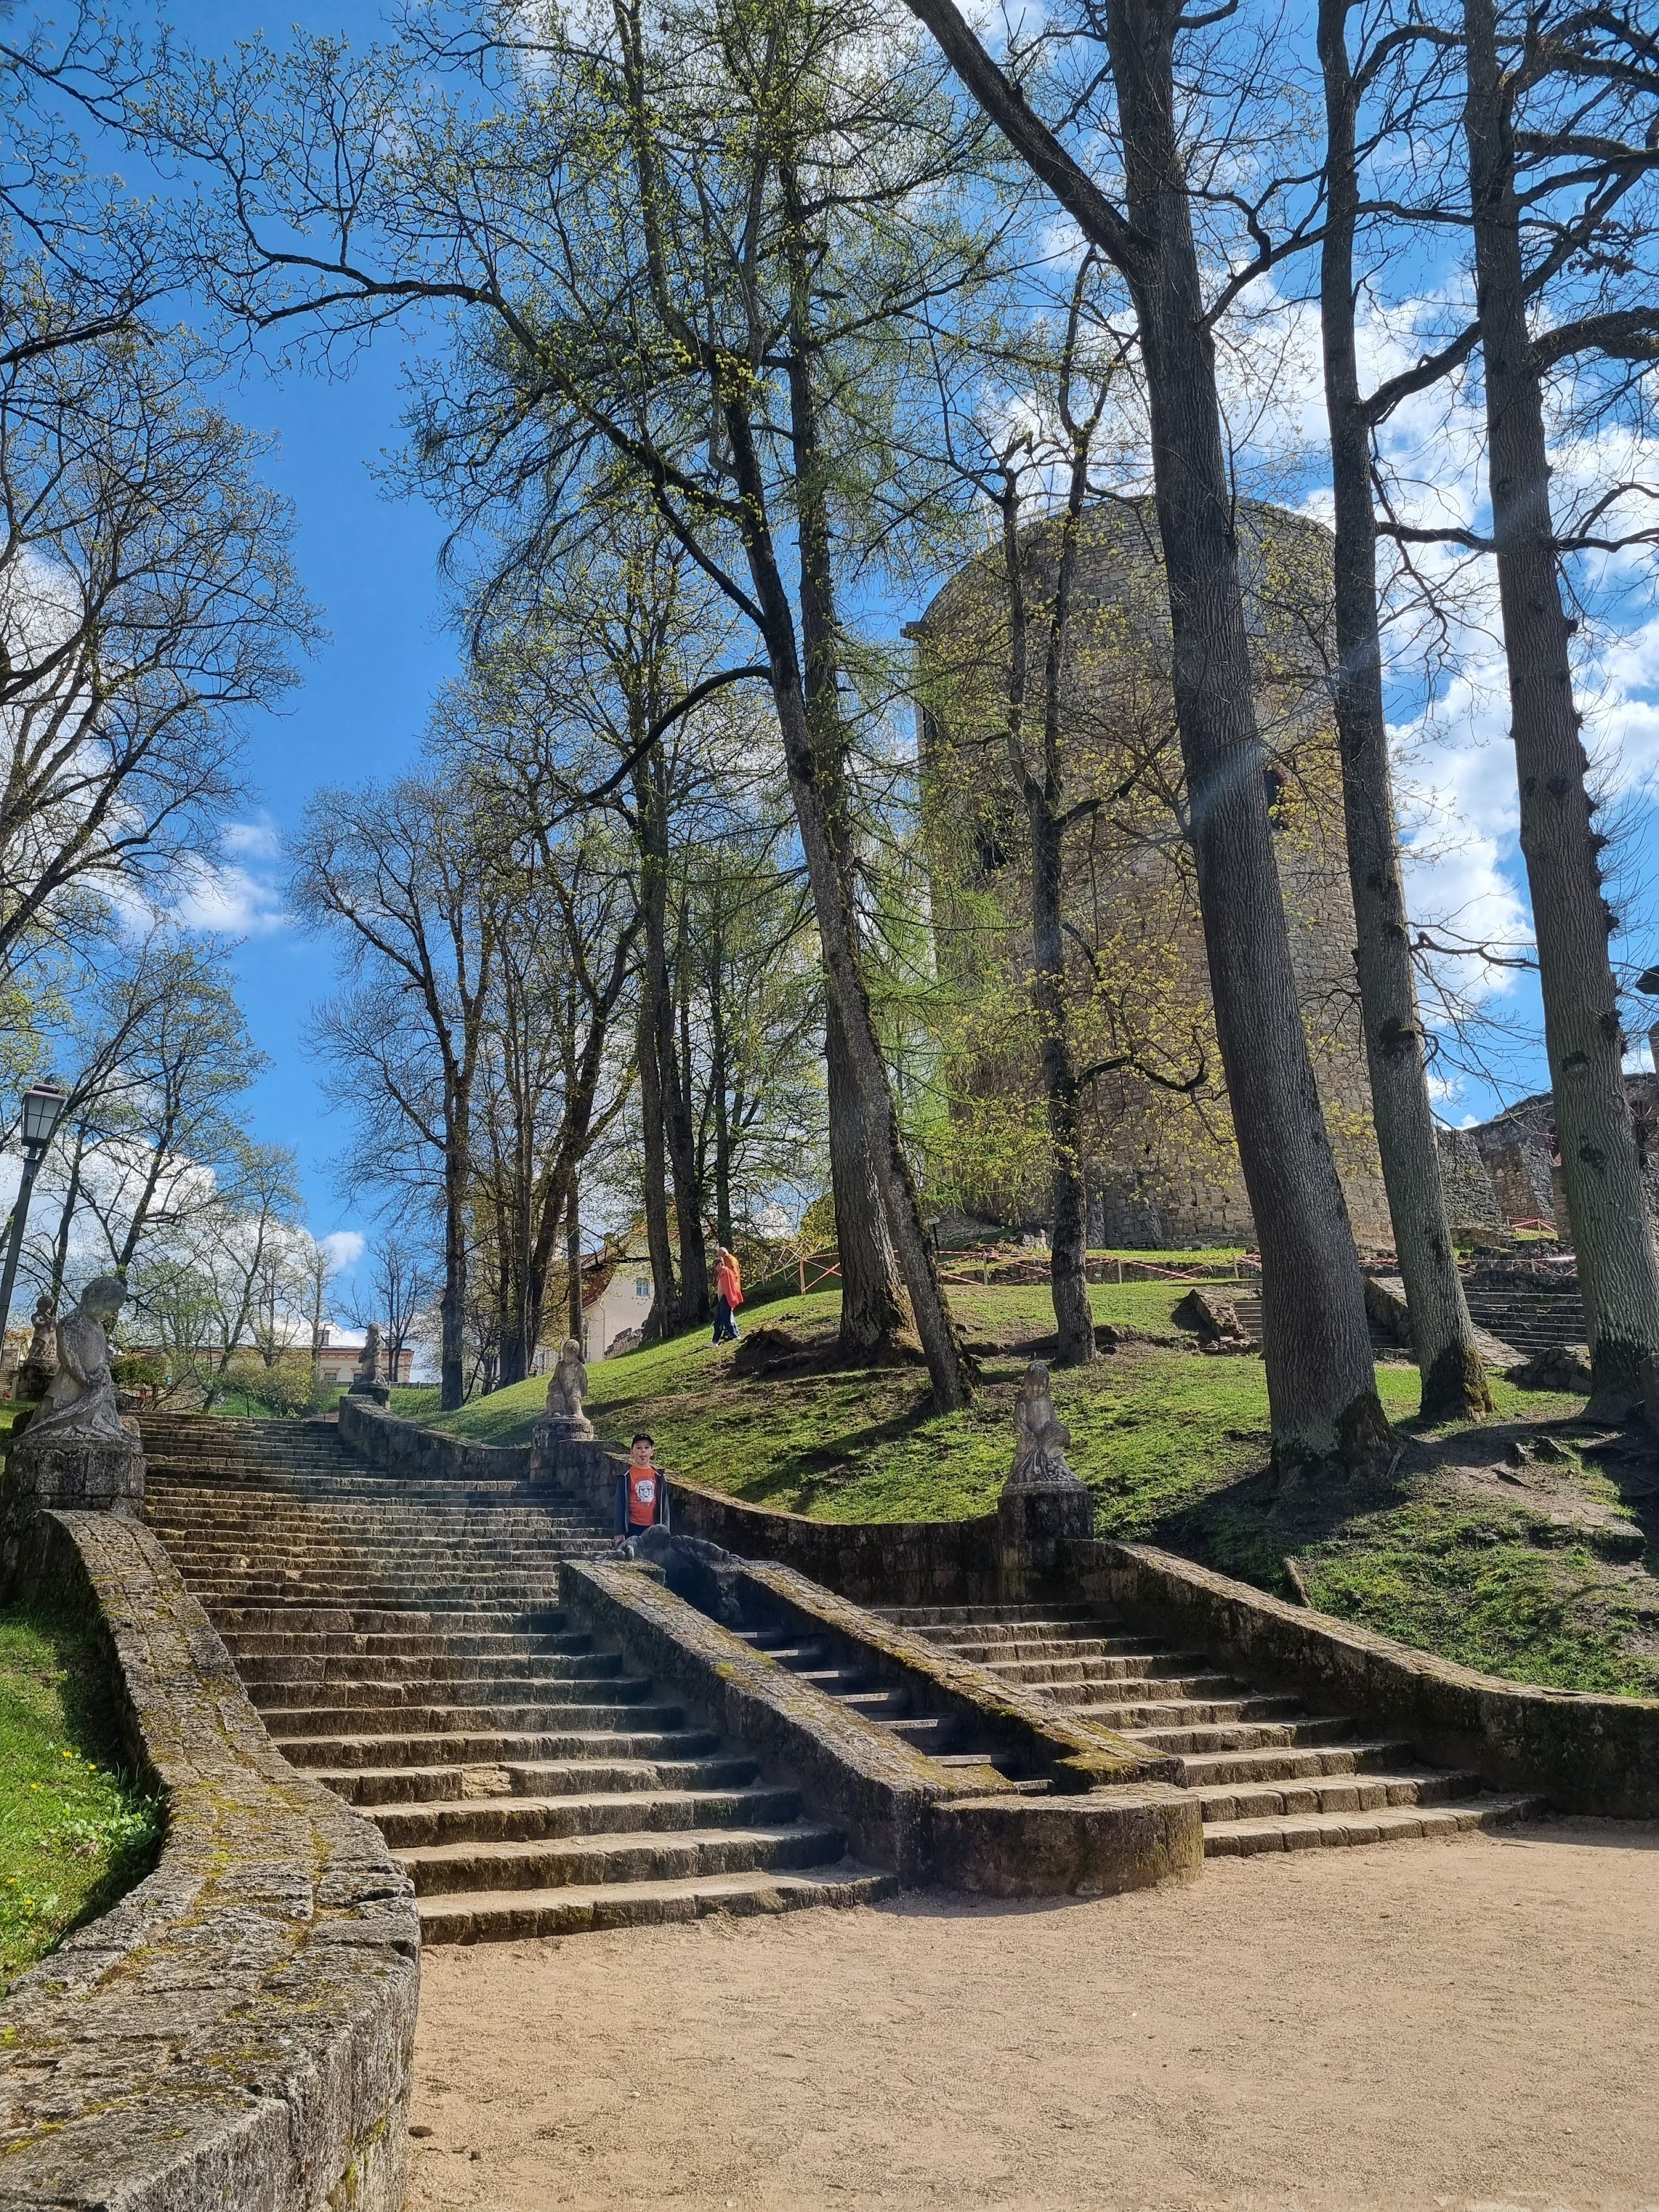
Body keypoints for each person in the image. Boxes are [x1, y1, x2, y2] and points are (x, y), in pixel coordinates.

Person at [615, 1432, 668, 1549]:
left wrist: (665, 1529)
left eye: (646, 1448)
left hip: (653, 1528)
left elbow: (665, 1506)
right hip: (633, 1527)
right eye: (638, 1448)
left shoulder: (658, 1477)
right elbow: (619, 1505)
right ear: (632, 1453)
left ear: (652, 1452)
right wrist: (619, 1531)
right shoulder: (625, 1477)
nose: (643, 1451)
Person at [712, 1243, 743, 1344]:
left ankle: (734, 1334)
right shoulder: (724, 1268)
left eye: (720, 1255)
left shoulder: (730, 1263)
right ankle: (719, 1339)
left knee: (727, 1316)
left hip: (728, 1294)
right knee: (722, 1318)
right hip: (724, 1296)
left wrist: (731, 1295)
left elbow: (732, 1279)